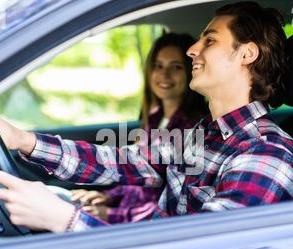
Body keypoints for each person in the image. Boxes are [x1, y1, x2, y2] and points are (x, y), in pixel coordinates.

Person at [0, 1, 293, 233]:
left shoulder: (268, 154)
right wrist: (26, 141)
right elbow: (120, 160)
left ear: (246, 54)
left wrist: (68, 220)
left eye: (209, 40)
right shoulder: (202, 134)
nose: (192, 50)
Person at [70, 33, 208, 224]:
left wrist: (110, 215)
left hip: (142, 228)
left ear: (191, 70)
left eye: (176, 67)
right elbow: (137, 174)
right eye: (158, 66)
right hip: (125, 213)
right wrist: (108, 196)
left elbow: (173, 204)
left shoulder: (193, 129)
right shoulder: (154, 117)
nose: (164, 75)